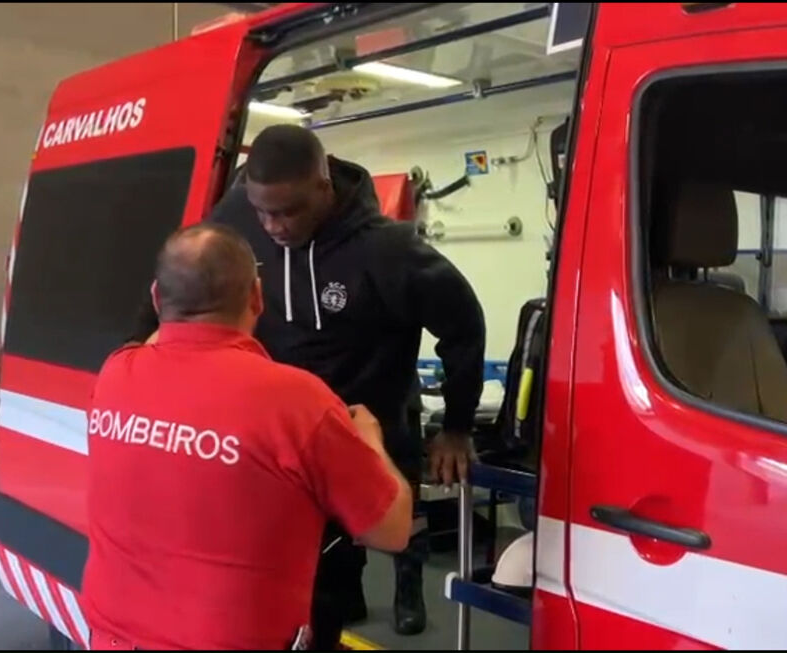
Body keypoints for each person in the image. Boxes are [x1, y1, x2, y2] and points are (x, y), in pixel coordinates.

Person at [128, 125, 486, 644]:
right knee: (317, 577)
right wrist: (137, 364)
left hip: (369, 426)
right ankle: (340, 603)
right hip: (280, 434)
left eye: (288, 211)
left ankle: (407, 590)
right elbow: (169, 285)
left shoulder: (388, 250)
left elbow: (463, 324)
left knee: (393, 530)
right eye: (263, 212)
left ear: (324, 186)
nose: (272, 225)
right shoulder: (237, 216)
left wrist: (455, 427)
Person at [82, 223, 413, 650]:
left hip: (111, 640)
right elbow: (392, 531)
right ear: (257, 298)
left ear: (157, 299)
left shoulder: (115, 375)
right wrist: (370, 439)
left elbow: (162, 342)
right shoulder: (298, 402)